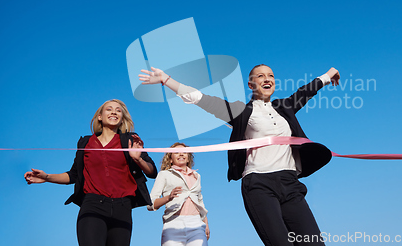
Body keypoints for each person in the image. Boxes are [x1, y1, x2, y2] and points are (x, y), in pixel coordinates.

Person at [139, 64, 340, 246]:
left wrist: (329, 74)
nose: (267, 79)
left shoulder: (285, 106)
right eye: (260, 76)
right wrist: (166, 80)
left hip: (290, 183)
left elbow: (306, 91)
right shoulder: (241, 111)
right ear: (251, 84)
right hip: (259, 185)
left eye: (270, 75)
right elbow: (200, 99)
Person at [24, 99, 158, 246]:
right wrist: (46, 177)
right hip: (93, 206)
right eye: (109, 109)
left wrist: (138, 159)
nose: (114, 112)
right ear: (99, 116)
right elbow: (73, 175)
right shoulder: (86, 143)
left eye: (118, 110)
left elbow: (152, 172)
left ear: (122, 119)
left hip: (123, 208)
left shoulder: (130, 140)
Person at [148, 142, 209, 246]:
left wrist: (206, 224)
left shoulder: (197, 176)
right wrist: (168, 197)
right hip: (173, 224)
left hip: (196, 224)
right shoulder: (164, 175)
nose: (181, 154)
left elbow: (200, 202)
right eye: (176, 152)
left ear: (188, 158)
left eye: (184, 152)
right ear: (170, 159)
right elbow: (150, 204)